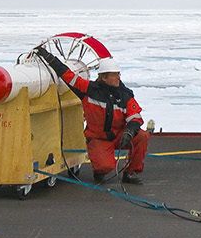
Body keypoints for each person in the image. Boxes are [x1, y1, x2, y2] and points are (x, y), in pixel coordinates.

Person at [34, 46, 150, 184]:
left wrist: (129, 132)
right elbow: (67, 76)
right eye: (114, 75)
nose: (118, 77)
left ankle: (130, 173)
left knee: (142, 136)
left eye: (118, 74)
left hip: (119, 135)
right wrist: (49, 58)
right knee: (105, 166)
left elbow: (135, 117)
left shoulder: (125, 95)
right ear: (104, 77)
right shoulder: (89, 90)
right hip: (98, 139)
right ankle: (99, 171)